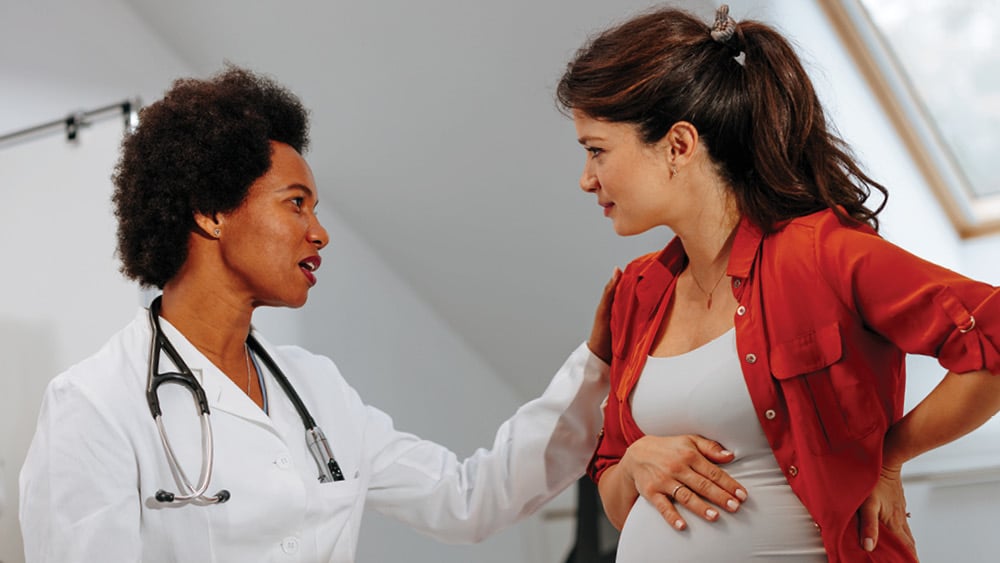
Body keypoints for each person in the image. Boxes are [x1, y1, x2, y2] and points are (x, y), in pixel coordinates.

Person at [18, 66, 617, 563]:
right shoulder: (96, 405)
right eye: (295, 204)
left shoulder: (316, 389)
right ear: (211, 212)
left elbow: (468, 500)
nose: (320, 233)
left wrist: (596, 367)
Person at [556, 4, 1000, 562]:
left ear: (678, 145)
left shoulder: (820, 255)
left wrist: (889, 456)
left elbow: (993, 336)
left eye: (597, 150)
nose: (586, 179)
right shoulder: (639, 292)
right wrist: (638, 461)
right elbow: (617, 496)